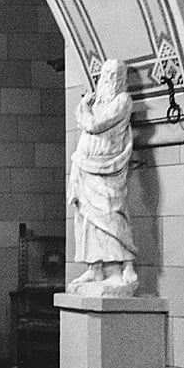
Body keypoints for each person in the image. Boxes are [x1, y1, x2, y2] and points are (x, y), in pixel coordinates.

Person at [66, 56, 137, 295]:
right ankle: (95, 267)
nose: (109, 80)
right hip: (85, 167)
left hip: (108, 168)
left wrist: (84, 109)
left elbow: (95, 125)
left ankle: (116, 270)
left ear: (122, 79)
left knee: (109, 214)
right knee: (86, 218)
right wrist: (87, 107)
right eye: (106, 75)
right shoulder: (97, 101)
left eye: (115, 75)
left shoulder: (122, 100)